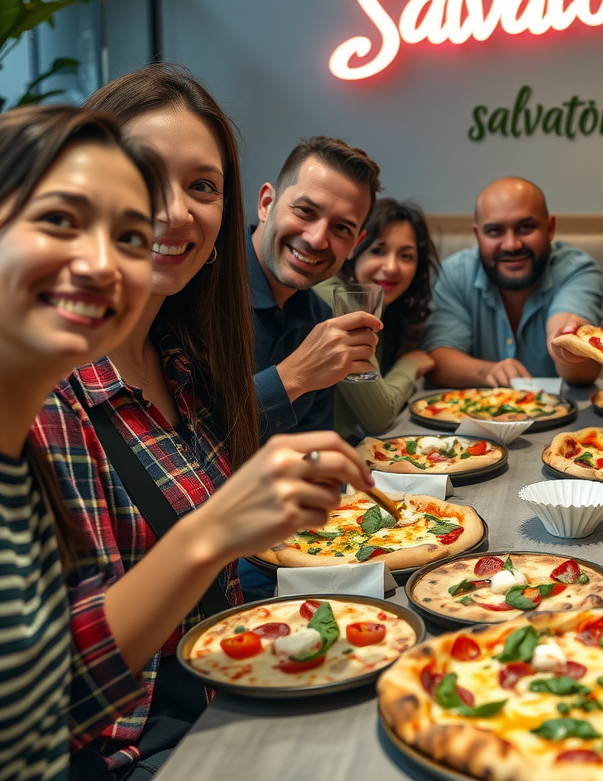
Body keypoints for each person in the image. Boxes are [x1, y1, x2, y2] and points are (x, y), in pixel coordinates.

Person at [34, 67, 374, 778]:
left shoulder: (185, 365)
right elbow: (53, 698)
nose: (176, 212)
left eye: (201, 187)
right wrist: (218, 527)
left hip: (229, 690)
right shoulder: (43, 392)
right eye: (144, 173)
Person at [0, 105, 164, 781]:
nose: (101, 263)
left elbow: (46, 705)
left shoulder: (26, 466)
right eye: (61, 220)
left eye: (130, 238)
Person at [249, 136, 383, 441]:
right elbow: (184, 438)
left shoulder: (320, 317)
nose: (317, 239)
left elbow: (311, 449)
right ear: (266, 204)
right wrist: (295, 375)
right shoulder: (199, 285)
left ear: (354, 245)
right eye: (305, 211)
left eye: (341, 228)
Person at [425, 177, 603, 387]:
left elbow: (581, 372)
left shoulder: (577, 270)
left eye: (525, 227)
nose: (511, 244)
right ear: (478, 235)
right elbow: (438, 359)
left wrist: (567, 343)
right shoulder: (453, 274)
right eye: (494, 231)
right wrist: (489, 371)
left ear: (550, 228)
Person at [313, 199, 438, 439]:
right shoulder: (335, 297)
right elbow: (378, 417)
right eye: (378, 251)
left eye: (406, 256)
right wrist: (410, 365)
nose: (392, 267)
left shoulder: (385, 308)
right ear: (354, 249)